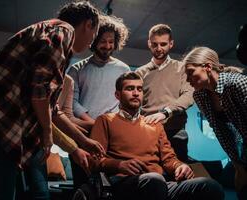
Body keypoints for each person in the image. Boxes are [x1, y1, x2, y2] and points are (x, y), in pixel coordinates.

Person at [0, 1, 104, 199]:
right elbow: (39, 87)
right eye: (94, 34)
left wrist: (84, 140)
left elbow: (52, 110)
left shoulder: (44, 32)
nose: (91, 42)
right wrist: (47, 134)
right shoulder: (63, 30)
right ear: (88, 24)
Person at [89, 72, 224, 200]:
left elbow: (168, 159)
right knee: (154, 181)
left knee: (210, 186)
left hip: (160, 183)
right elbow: (94, 160)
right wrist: (119, 165)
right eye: (130, 89)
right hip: (123, 183)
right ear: (117, 95)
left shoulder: (154, 124)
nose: (136, 93)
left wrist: (179, 166)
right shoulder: (105, 120)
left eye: (139, 89)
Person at [182, 46, 247, 200]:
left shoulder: (238, 84)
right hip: (240, 154)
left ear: (208, 67)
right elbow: (220, 132)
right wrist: (238, 166)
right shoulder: (200, 96)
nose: (187, 79)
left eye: (190, 72)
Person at [135, 24, 194, 162]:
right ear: (149, 44)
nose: (159, 48)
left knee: (179, 175)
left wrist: (165, 112)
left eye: (163, 44)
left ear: (171, 44)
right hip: (147, 132)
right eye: (155, 44)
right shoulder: (139, 73)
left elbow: (189, 95)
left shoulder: (182, 69)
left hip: (175, 132)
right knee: (151, 174)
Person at [68, 15, 130, 128]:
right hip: (85, 128)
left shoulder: (124, 69)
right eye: (103, 41)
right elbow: (72, 102)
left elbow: (126, 101)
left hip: (115, 128)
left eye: (111, 42)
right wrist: (94, 124)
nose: (107, 46)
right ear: (93, 41)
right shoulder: (76, 69)